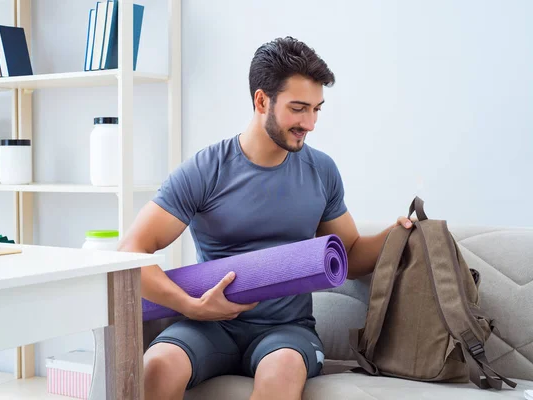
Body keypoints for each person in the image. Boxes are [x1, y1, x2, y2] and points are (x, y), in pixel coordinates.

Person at [118, 36, 413, 400]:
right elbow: (132, 250)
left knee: (282, 371)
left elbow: (349, 255)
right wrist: (190, 305)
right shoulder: (205, 169)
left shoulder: (321, 170)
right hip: (208, 326)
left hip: (287, 330)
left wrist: (396, 235)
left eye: (317, 109)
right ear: (262, 101)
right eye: (299, 108)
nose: (311, 123)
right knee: (156, 367)